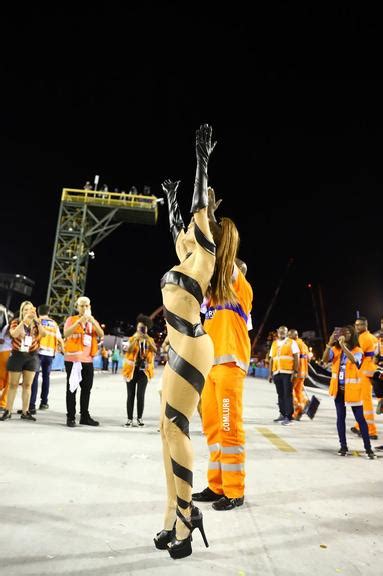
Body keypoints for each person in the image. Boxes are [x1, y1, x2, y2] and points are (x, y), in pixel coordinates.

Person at [154, 125, 217, 559]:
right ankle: (171, 517)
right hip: (177, 346)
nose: (185, 230)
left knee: (177, 428)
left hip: (192, 346)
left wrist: (201, 159)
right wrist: (171, 198)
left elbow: (195, 212)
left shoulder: (206, 252)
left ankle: (187, 517)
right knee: (165, 430)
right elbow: (179, 221)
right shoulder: (186, 251)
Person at [192, 209, 253, 511]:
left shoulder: (241, 290)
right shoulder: (212, 301)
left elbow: (222, 259)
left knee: (229, 428)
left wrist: (211, 220)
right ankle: (217, 486)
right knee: (213, 429)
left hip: (229, 368)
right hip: (211, 368)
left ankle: (235, 490)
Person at [322, 325, 375, 458]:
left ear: (352, 336)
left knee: (360, 420)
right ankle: (343, 446)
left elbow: (354, 360)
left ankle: (368, 448)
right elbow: (324, 359)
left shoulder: (358, 350)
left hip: (353, 391)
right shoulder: (336, 349)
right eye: (342, 333)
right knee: (340, 418)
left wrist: (343, 346)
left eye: (347, 333)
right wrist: (329, 344)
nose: (344, 335)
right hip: (338, 391)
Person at [0, 301, 47, 421]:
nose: (28, 312)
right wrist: (24, 321)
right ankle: (8, 411)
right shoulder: (16, 322)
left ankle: (25, 412)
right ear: (22, 311)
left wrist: (36, 320)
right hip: (17, 355)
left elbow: (44, 334)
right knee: (13, 385)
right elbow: (14, 334)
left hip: (32, 356)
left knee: (27, 385)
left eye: (30, 309)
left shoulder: (36, 323)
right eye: (25, 309)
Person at [63, 296, 104, 427]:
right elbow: (66, 333)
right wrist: (80, 321)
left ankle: (84, 416)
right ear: (77, 307)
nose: (84, 308)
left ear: (90, 307)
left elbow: (101, 334)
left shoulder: (92, 321)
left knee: (86, 390)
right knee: (71, 389)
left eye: (87, 305)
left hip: (88, 360)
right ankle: (70, 417)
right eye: (81, 305)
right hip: (73, 359)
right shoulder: (71, 319)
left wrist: (92, 320)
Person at [122, 314, 157, 427]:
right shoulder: (132, 339)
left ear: (147, 329)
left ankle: (140, 418)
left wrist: (148, 340)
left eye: (144, 328)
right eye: (140, 327)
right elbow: (129, 350)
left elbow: (155, 350)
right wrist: (136, 339)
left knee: (140, 395)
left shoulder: (150, 340)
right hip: (131, 371)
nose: (142, 329)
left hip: (144, 372)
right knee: (130, 395)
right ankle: (129, 419)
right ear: (136, 328)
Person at [29, 304, 64, 414]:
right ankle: (44, 402)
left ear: (38, 312)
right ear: (48, 312)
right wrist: (63, 351)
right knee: (46, 378)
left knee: (34, 378)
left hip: (37, 352)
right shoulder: (54, 324)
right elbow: (59, 339)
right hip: (49, 354)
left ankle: (31, 405)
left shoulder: (36, 321)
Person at [350, 317, 378, 439]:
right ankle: (359, 425)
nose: (356, 327)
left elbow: (354, 354)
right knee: (362, 400)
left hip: (363, 372)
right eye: (355, 325)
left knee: (365, 402)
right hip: (370, 370)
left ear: (365, 325)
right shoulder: (373, 337)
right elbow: (377, 355)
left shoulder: (363, 338)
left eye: (359, 325)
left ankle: (371, 430)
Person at [268, 326, 300, 425]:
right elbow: (271, 359)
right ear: (277, 332)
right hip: (277, 372)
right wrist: (270, 374)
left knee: (287, 394)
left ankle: (289, 417)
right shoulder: (274, 343)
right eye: (280, 332)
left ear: (286, 333)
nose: (282, 333)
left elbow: (296, 357)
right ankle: (282, 414)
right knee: (280, 394)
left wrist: (295, 371)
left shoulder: (291, 342)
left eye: (284, 332)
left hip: (288, 372)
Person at [288, 329, 309, 420]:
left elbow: (294, 358)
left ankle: (300, 406)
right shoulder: (304, 345)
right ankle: (298, 412)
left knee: (289, 391)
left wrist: (294, 371)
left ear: (294, 336)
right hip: (303, 373)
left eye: (289, 336)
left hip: (296, 372)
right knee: (298, 392)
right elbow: (307, 359)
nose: (288, 338)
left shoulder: (294, 344)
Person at [0, 319, 13, 411]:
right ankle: (3, 403)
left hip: (3, 353)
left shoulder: (7, 326)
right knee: (10, 381)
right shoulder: (22, 327)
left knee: (1, 379)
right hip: (13, 354)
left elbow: (1, 340)